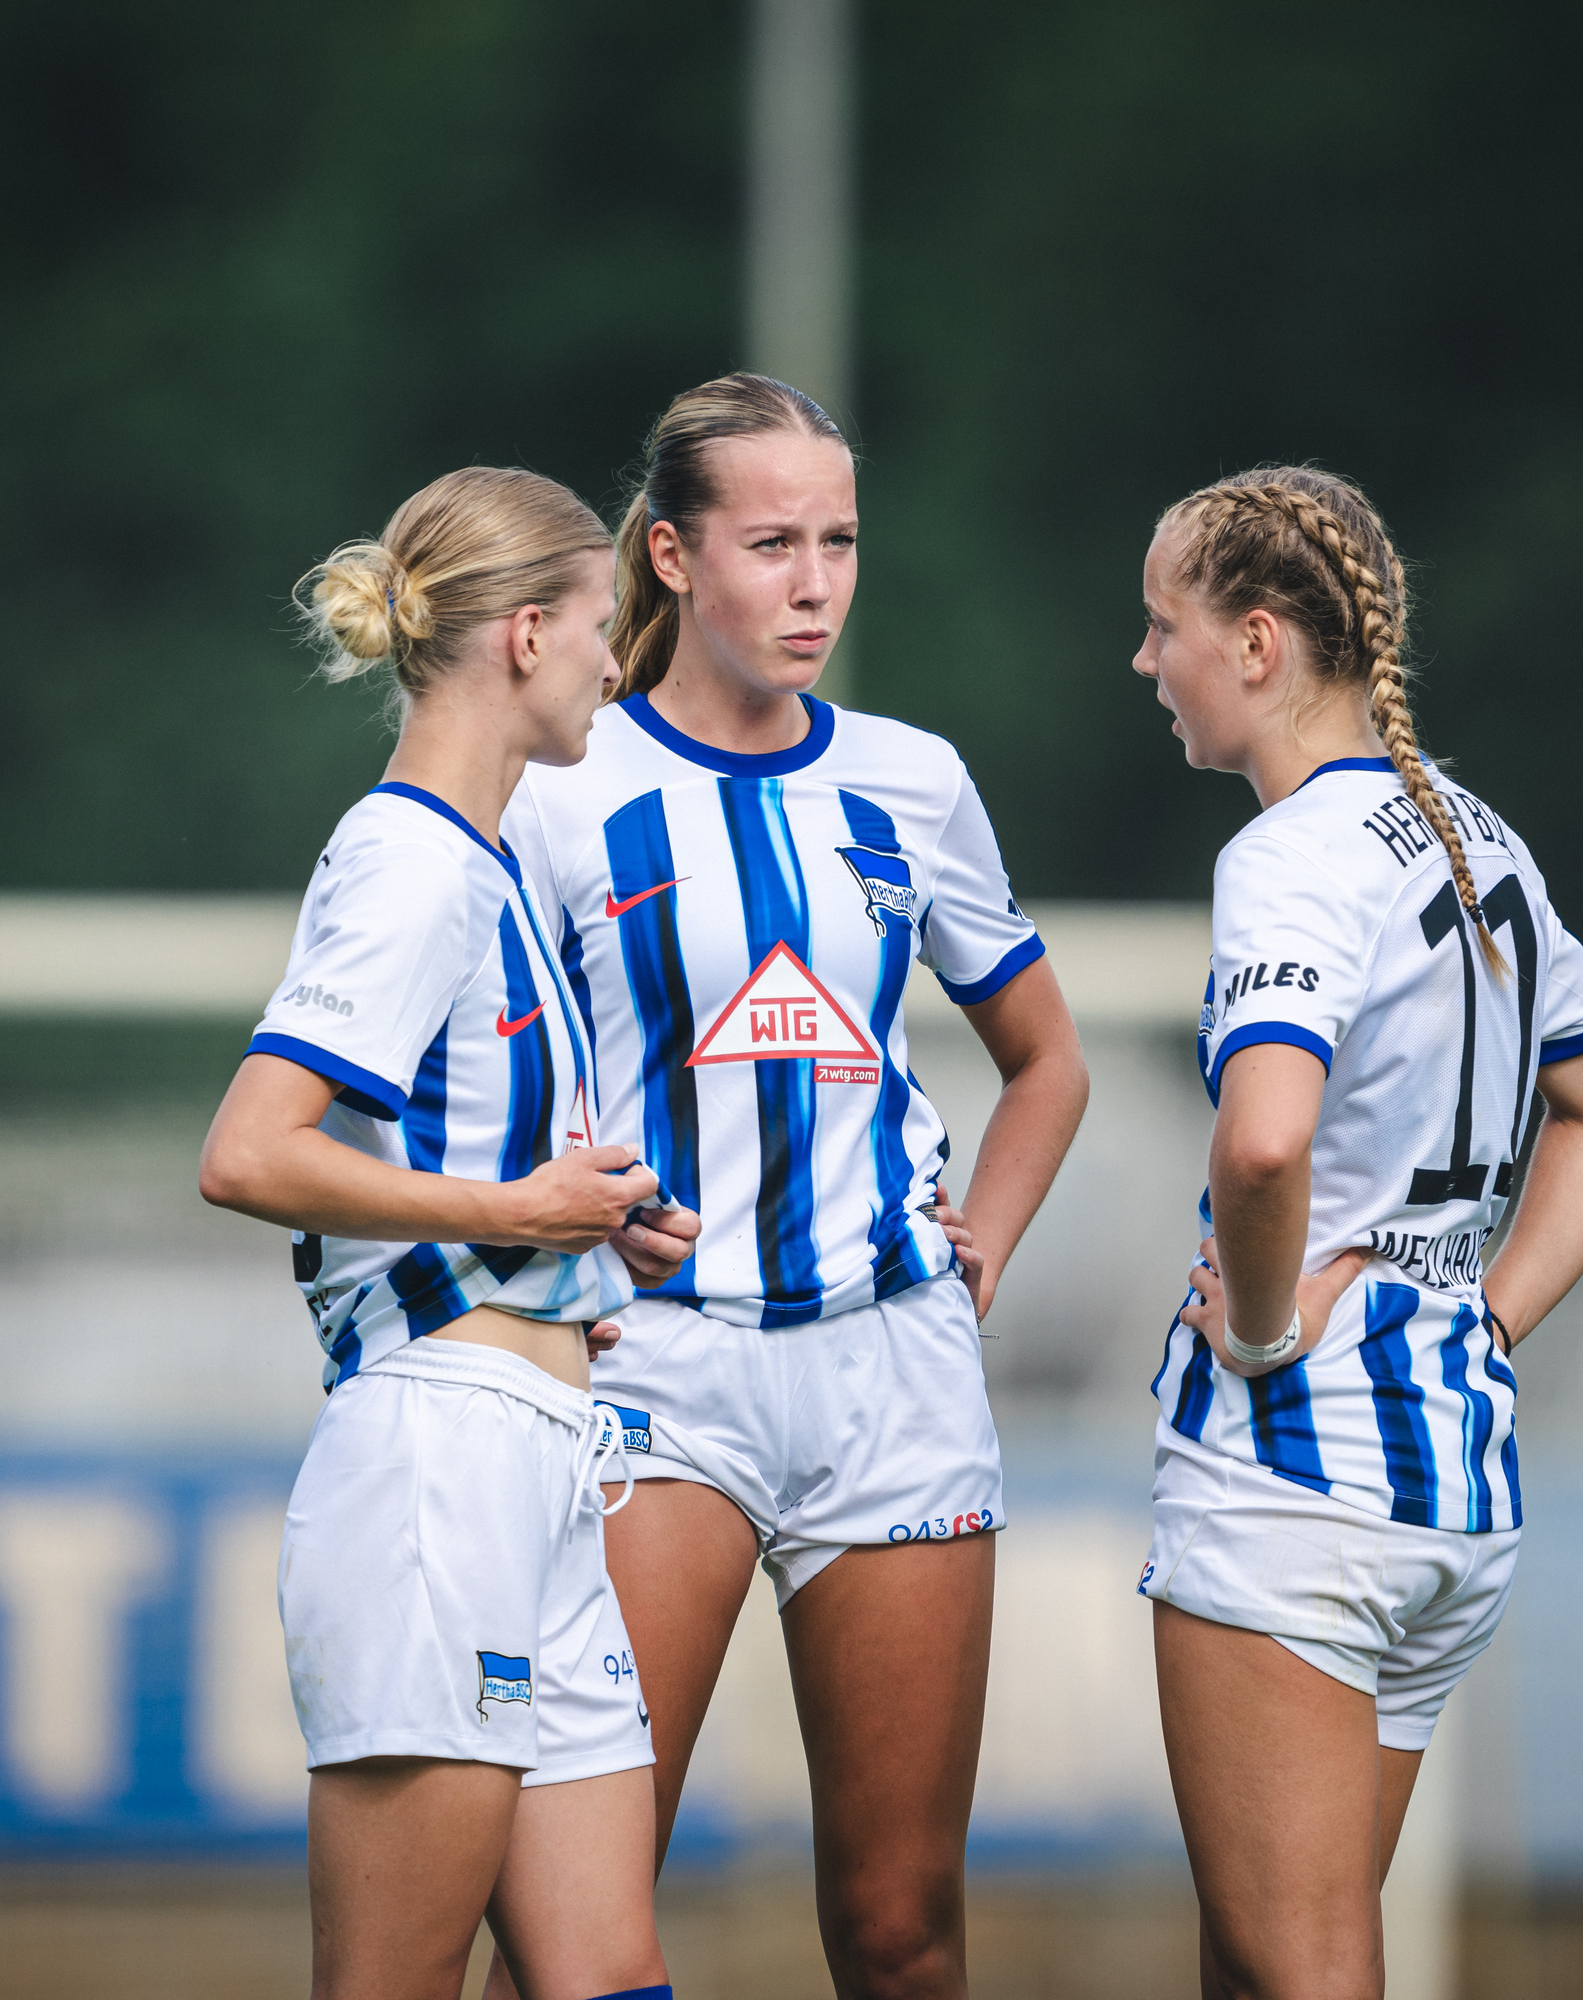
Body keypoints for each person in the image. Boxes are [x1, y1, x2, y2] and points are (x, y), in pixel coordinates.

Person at [491, 373, 1088, 1999]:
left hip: (894, 1375)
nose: (815, 580)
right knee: (569, 1911)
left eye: (838, 539)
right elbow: (474, 1081)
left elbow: (1050, 1063)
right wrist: (549, 1208)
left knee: (901, 1930)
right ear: (674, 558)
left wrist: (976, 1259)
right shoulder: (563, 785)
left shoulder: (911, 781)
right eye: (772, 543)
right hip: (657, 1378)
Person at [1131, 468, 1583, 2000]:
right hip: (1452, 1478)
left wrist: (1252, 1330)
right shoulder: (1479, 837)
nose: (1142, 662)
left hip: (1301, 1485)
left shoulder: (1290, 855)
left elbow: (1265, 1138)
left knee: (1300, 1976)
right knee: (1270, 1970)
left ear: (1254, 643)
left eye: (1160, 624)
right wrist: (1484, 1315)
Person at [196, 465, 695, 2000]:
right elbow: (247, 1150)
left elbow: (446, 1160)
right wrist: (518, 1214)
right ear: (527, 636)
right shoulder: (409, 860)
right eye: (608, 622)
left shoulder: (491, 860)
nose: (624, 661)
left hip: (544, 1455)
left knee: (607, 1979)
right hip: (437, 1464)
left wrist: (583, 1247)